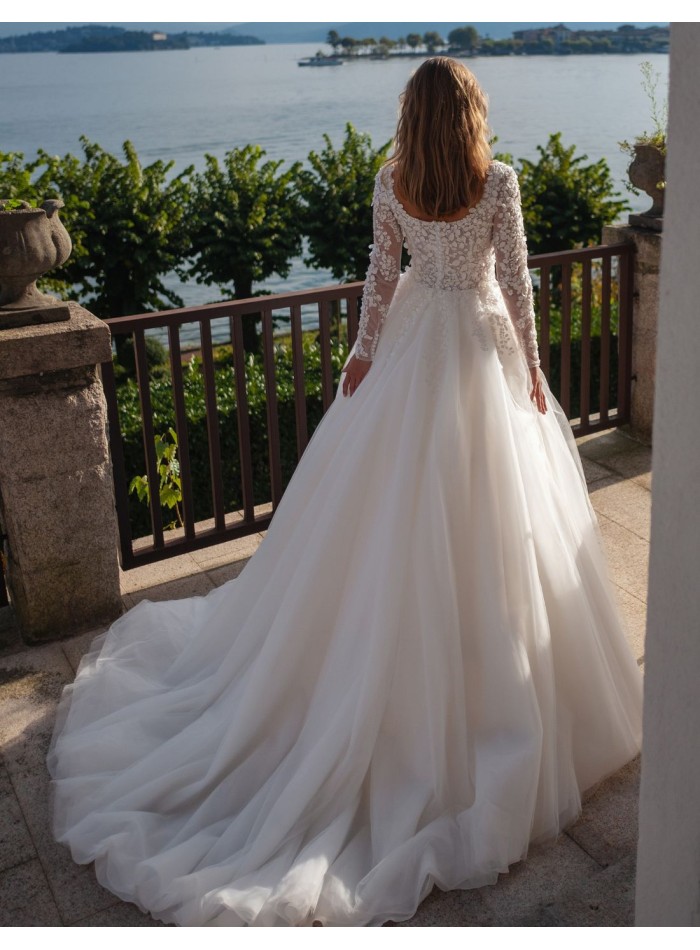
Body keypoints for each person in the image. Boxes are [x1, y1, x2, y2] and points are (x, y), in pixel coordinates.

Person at [47, 58, 643, 927]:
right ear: (471, 112)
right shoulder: (499, 181)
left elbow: (380, 273)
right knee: (497, 531)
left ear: (412, 115)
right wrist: (538, 374)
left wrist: (364, 353)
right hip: (476, 352)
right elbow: (515, 285)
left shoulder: (391, 177)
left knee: (383, 524)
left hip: (411, 346)